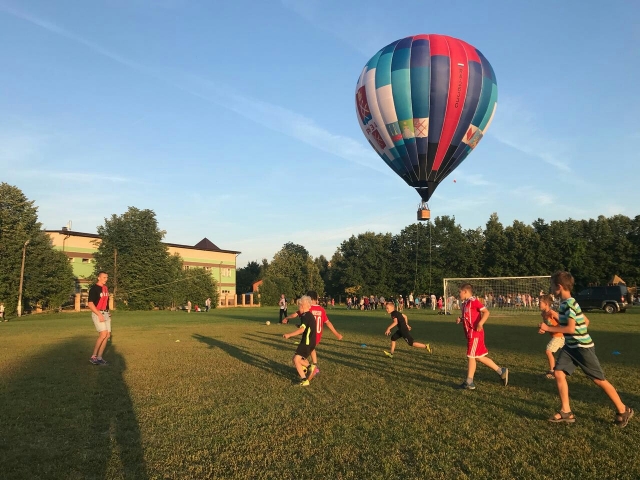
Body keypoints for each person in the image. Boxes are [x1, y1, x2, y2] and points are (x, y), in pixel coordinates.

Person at [538, 271, 633, 427]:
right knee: (558, 372)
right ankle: (566, 411)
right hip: (571, 347)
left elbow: (570, 328)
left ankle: (623, 409)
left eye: (552, 285)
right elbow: (586, 321)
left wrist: (547, 328)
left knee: (599, 380)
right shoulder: (567, 303)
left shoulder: (568, 304)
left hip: (582, 348)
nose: (551, 288)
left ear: (559, 286)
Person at [457, 283, 508, 389]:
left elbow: (486, 312)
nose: (459, 294)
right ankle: (501, 371)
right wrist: (461, 319)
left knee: (471, 356)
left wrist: (480, 323)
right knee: (479, 357)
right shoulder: (465, 303)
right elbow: (469, 317)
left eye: (460, 292)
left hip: (475, 333)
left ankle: (469, 382)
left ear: (465, 291)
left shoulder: (474, 301)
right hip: (470, 334)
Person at [283, 291, 343, 381]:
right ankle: (314, 365)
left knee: (299, 357)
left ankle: (308, 369)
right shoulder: (321, 309)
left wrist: (287, 318)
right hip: (317, 335)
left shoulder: (307, 310)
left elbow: (296, 314)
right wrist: (337, 334)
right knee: (312, 349)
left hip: (309, 335)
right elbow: (327, 322)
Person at [283, 296, 317, 386]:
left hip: (307, 342)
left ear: (302, 306)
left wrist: (289, 335)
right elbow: (308, 327)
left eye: (299, 306)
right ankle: (311, 367)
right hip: (310, 341)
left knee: (296, 359)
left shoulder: (305, 316)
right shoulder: (309, 315)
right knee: (294, 359)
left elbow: (302, 330)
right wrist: (300, 325)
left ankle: (304, 380)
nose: (298, 308)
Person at [538, 294, 564, 379]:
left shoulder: (552, 313)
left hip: (559, 336)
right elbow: (547, 326)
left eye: (540, 302)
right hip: (555, 336)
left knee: (548, 351)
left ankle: (552, 372)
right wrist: (543, 329)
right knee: (572, 354)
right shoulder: (543, 314)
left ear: (546, 304)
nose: (538, 304)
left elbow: (563, 323)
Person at [88, 271, 111, 366]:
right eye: (104, 277)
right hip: (98, 313)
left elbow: (106, 302)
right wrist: (99, 314)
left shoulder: (105, 288)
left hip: (105, 313)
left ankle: (100, 358)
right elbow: (90, 304)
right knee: (103, 334)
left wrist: (108, 312)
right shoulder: (94, 289)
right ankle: (93, 357)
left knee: (107, 335)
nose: (106, 279)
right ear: (99, 278)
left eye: (107, 277)